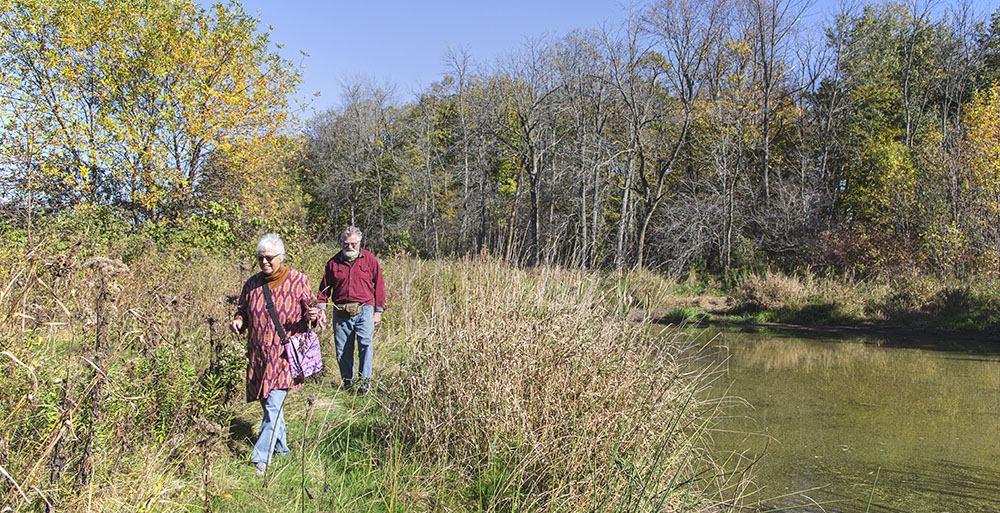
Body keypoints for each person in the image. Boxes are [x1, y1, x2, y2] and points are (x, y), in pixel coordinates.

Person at [230, 233, 320, 476]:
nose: (264, 262)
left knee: (273, 407)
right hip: (259, 355)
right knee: (269, 406)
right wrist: (239, 321)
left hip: (284, 356)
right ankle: (282, 449)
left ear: (280, 257)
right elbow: (243, 310)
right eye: (260, 258)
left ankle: (261, 458)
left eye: (269, 258)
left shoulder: (297, 280)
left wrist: (313, 315)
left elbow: (312, 307)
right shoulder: (251, 284)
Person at [318, 226, 385, 393]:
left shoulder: (369, 260)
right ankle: (348, 384)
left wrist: (378, 311)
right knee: (342, 350)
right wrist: (320, 309)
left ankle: (364, 385)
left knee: (365, 346)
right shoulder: (332, 263)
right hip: (341, 314)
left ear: (359, 242)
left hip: (365, 311)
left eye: (353, 244)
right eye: (345, 243)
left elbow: (380, 287)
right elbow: (324, 290)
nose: (349, 247)